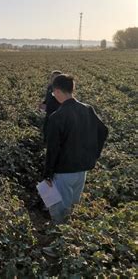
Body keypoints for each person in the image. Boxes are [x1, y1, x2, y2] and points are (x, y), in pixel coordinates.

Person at [44, 74, 108, 224]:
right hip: (83, 168)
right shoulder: (87, 109)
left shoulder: (57, 117)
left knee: (61, 209)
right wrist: (94, 154)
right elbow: (103, 131)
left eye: (54, 93)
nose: (54, 96)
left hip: (64, 170)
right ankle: (71, 235)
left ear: (58, 91)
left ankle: (61, 239)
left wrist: (47, 174)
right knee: (73, 205)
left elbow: (53, 149)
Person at [39, 70, 62, 141]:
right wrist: (43, 103)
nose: (54, 79)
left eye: (57, 78)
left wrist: (47, 107)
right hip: (48, 114)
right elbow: (48, 98)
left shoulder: (61, 89)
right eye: (53, 77)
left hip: (57, 116)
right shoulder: (50, 87)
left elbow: (60, 104)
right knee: (45, 130)